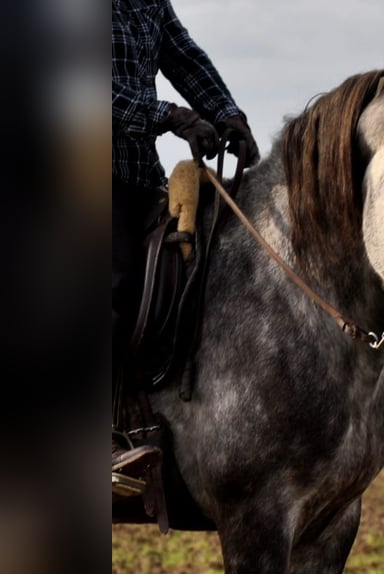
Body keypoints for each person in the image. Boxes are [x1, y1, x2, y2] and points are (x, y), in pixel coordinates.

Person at [112, 0, 259, 488]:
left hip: (135, 179)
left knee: (192, 267)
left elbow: (183, 57)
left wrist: (227, 114)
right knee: (115, 283)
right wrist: (169, 116)